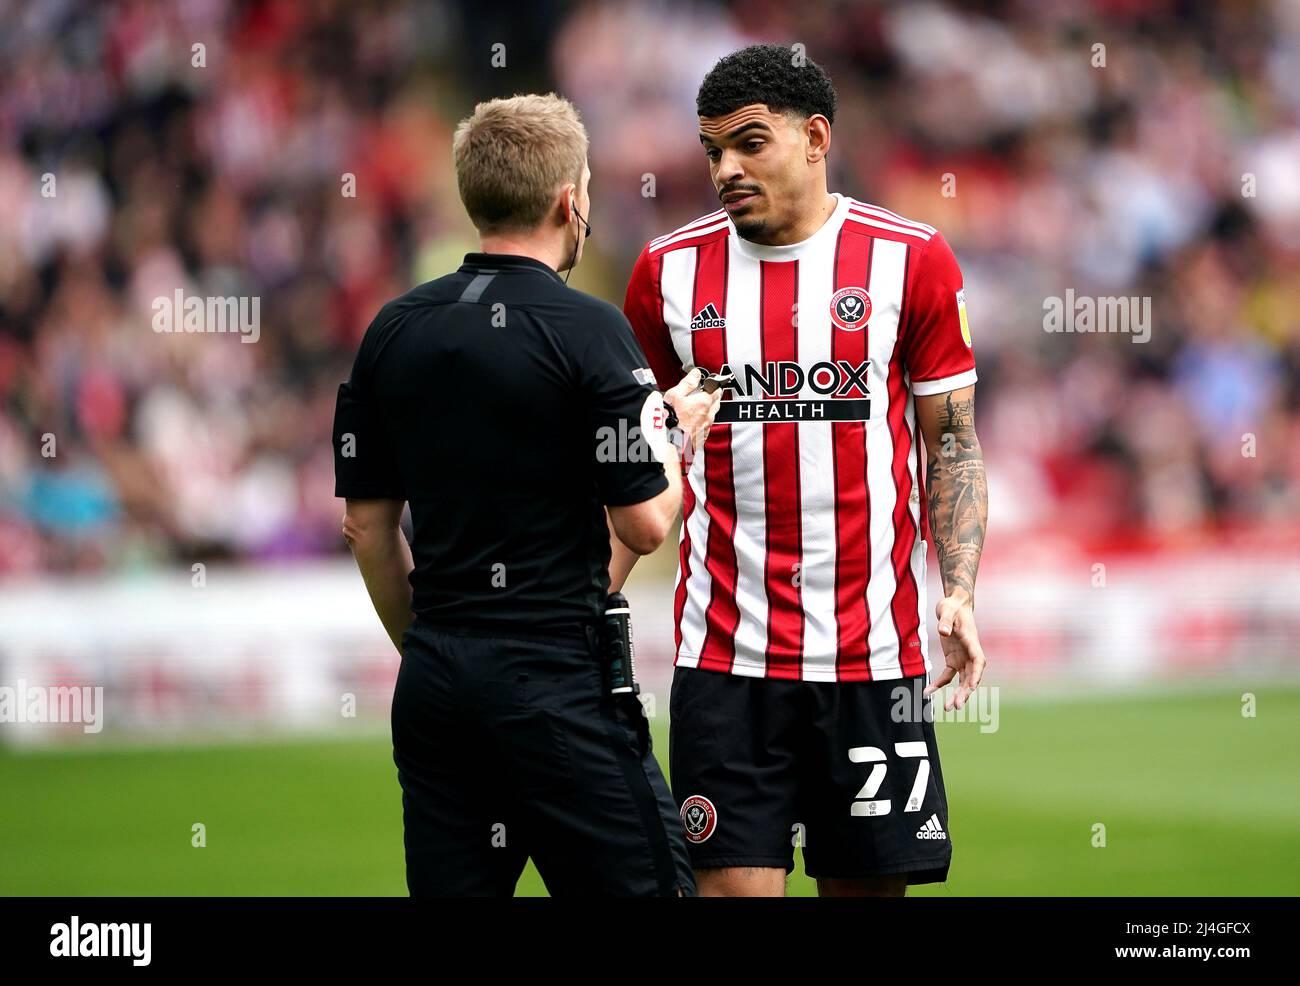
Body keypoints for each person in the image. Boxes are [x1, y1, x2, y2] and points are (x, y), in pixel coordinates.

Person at [617, 45, 989, 897]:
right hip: (726, 662)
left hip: (874, 660)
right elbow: (631, 459)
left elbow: (956, 444)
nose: (726, 168)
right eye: (713, 150)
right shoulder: (666, 274)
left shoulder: (911, 259)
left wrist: (959, 588)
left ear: (815, 136)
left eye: (751, 143)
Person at [332, 92, 718, 896]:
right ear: (569, 199)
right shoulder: (589, 330)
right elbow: (646, 524)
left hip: (437, 684)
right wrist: (676, 438)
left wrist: (431, 648)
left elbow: (367, 528)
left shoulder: (393, 330)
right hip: (556, 682)